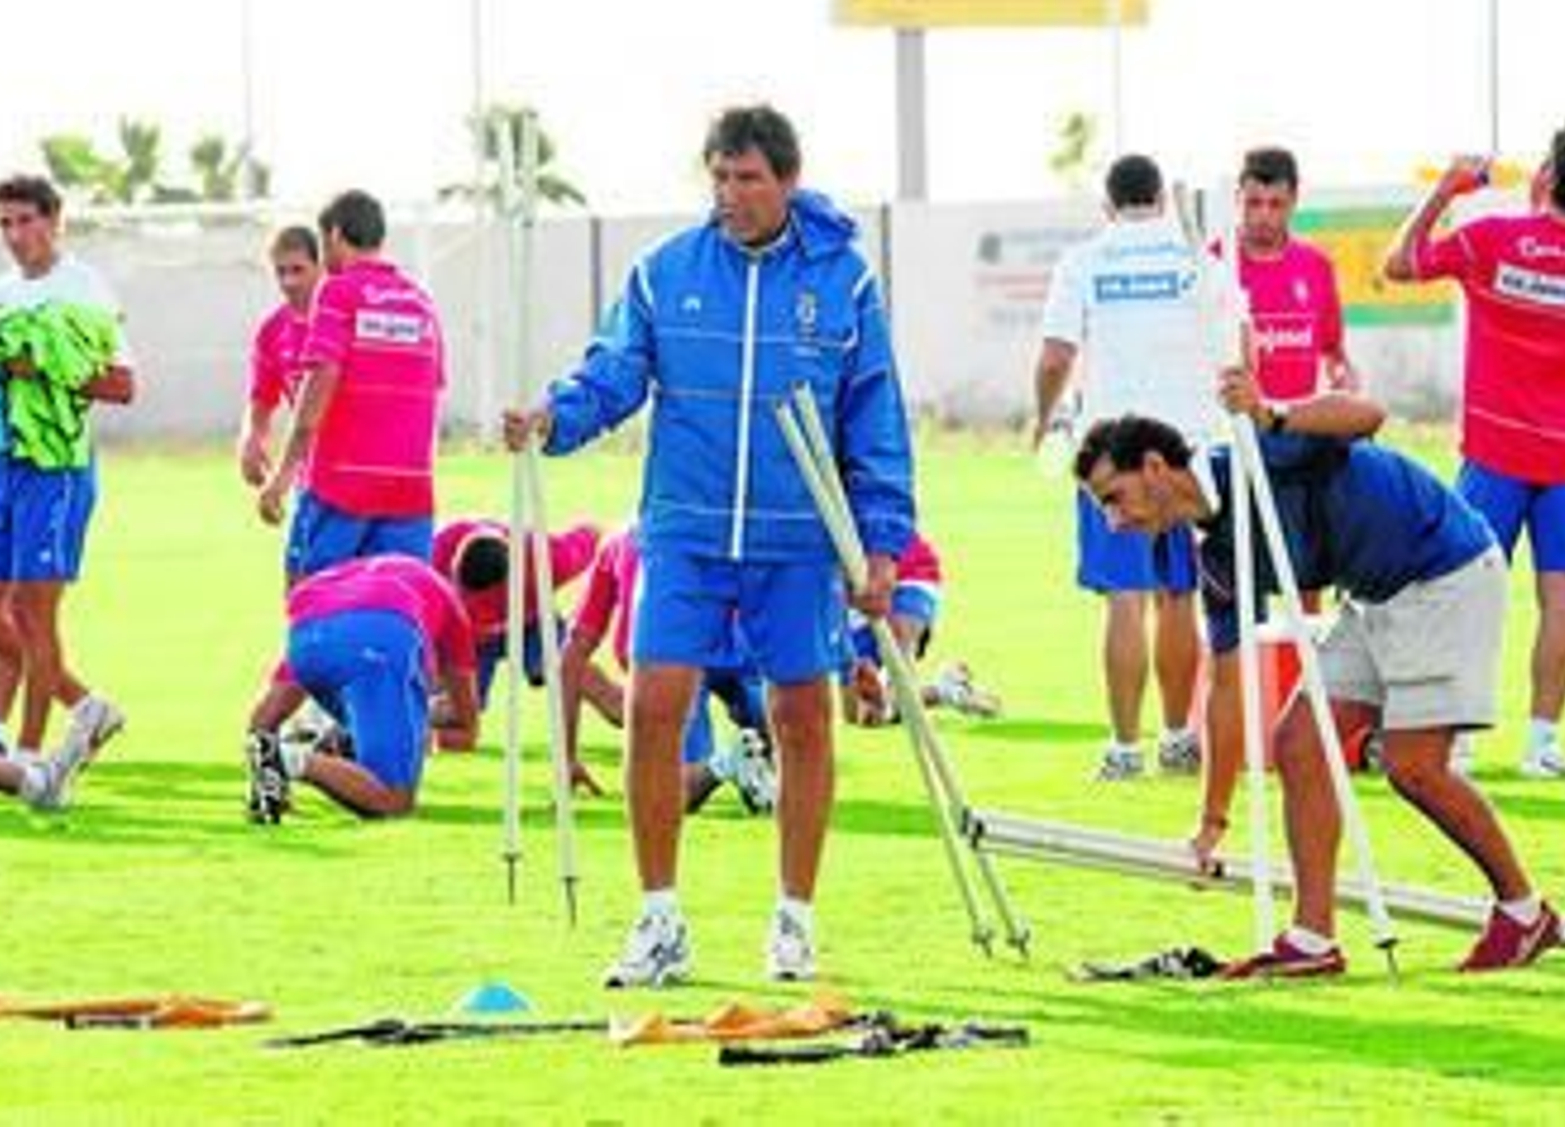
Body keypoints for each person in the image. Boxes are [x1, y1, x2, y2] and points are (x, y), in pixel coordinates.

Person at [503, 104, 914, 987]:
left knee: (802, 716)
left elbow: (875, 414)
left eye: (749, 179)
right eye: (719, 178)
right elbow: (612, 372)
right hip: (684, 531)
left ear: (788, 181)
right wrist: (552, 416)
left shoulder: (844, 281)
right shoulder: (666, 273)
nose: (731, 195)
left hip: (797, 536)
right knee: (655, 706)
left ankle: (794, 920)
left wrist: (882, 541)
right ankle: (659, 918)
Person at [1073, 375, 1563, 976]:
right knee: (1298, 744)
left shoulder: (1260, 447)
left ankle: (1523, 912)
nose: (1113, 521)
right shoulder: (1215, 556)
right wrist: (1211, 822)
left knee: (1414, 766)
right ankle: (1312, 941)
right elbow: (1226, 687)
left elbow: (1369, 412)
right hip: (1375, 597)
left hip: (1443, 571)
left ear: (1153, 467)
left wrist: (1273, 414)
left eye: (1113, 497)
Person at [1035, 154, 1240, 780]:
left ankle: (1125, 749)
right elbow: (1239, 341)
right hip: (1187, 451)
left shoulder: (1085, 261)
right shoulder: (1194, 260)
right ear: (1159, 197)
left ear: (1109, 205)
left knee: (1124, 598)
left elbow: (1054, 357)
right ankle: (1179, 739)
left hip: (1113, 452)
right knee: (1179, 595)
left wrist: (1044, 419)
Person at [1384, 127, 1565, 780]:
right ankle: (1542, 744)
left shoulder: (1491, 240)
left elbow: (1399, 262)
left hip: (1496, 450)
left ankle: (1457, 742)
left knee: (1463, 595)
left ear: (1547, 174)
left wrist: (1444, 189)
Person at [0, 174, 133, 772]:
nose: (17, 235)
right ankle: (85, 703)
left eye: (27, 221)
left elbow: (122, 384)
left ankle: (33, 755)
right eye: (5, 223)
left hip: (57, 470)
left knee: (34, 614)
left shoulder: (84, 289)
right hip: (4, 464)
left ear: (53, 219)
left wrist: (39, 365)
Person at [255, 190, 445, 582]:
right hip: (410, 492)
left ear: (336, 235)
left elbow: (318, 384)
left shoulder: (339, 292)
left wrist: (284, 474)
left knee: (313, 607)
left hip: (341, 487)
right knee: (399, 614)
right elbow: (433, 392)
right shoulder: (421, 303)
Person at [558, 524, 777, 813]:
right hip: (730, 648)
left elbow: (575, 650)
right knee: (780, 733)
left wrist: (567, 756)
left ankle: (729, 762)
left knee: (669, 791)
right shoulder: (720, 526)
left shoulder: (619, 543)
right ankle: (751, 759)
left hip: (666, 656)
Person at [243, 554, 479, 821]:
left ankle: (316, 749)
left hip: (307, 633)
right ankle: (290, 759)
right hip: (380, 640)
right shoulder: (451, 606)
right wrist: (419, 728)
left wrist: (262, 777)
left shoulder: (373, 580)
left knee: (366, 728)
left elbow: (266, 717)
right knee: (395, 801)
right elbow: (466, 724)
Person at [429, 515, 600, 749]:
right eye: (460, 586)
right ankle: (408, 728)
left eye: (477, 596)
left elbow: (590, 534)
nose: (466, 598)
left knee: (569, 669)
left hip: (532, 624)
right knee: (456, 711)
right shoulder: (435, 549)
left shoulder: (547, 558)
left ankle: (632, 714)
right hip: (466, 638)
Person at [839, 531, 1001, 726]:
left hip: (909, 570)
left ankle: (889, 696)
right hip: (851, 591)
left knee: (900, 649)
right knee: (859, 716)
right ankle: (944, 691)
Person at [1234, 147, 1356, 402]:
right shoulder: (1215, 264)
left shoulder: (1316, 266)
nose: (1264, 215)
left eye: (1276, 204)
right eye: (1254, 203)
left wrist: (1344, 377)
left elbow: (1333, 353)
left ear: (1293, 202)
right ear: (1238, 199)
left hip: (1297, 428)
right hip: (1233, 430)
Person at [238, 226, 322, 489]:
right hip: (305, 474)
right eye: (280, 272)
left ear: (320, 267)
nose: (289, 282)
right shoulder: (272, 331)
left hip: (353, 466)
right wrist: (252, 437)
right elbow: (262, 397)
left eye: (298, 270)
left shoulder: (342, 320)